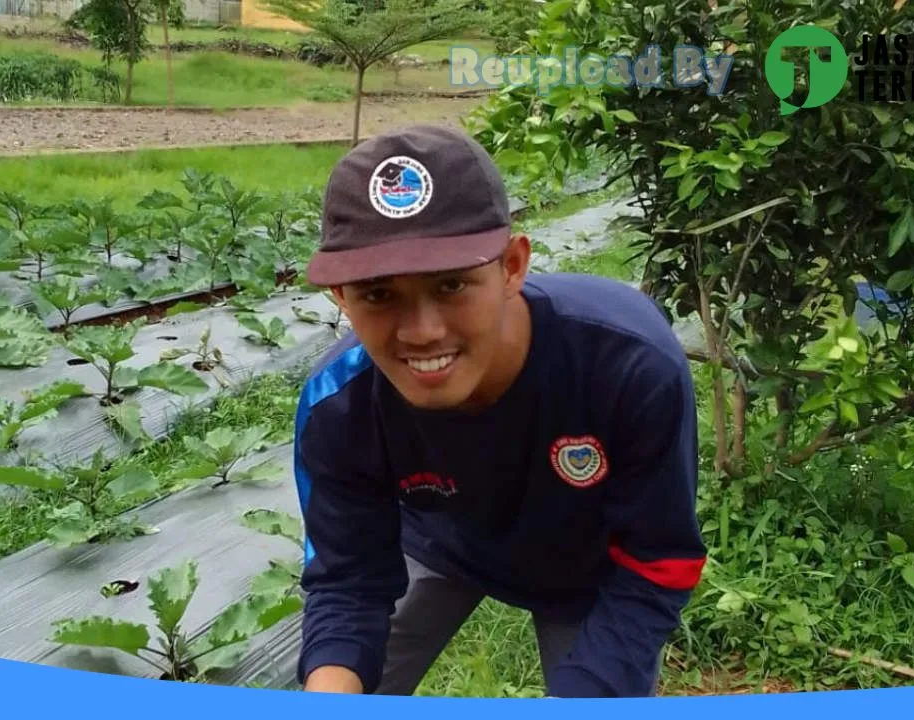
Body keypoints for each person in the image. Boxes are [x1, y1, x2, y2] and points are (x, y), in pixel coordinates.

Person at [291, 124, 707, 698]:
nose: (422, 332)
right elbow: (347, 580)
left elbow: (657, 561)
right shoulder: (339, 405)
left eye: (452, 284)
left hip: (590, 570)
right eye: (378, 294)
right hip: (437, 539)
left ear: (512, 266)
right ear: (340, 296)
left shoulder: (628, 366)